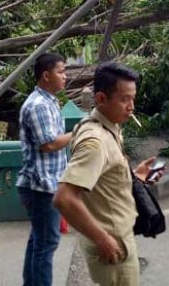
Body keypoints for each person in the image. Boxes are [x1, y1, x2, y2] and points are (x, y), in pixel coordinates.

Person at [54, 62, 160, 286]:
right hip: (113, 244)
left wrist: (137, 177)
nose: (131, 106)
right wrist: (102, 239)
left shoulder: (106, 127)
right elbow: (65, 199)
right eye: (124, 99)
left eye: (133, 98)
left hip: (118, 236)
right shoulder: (96, 141)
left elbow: (103, 181)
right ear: (101, 98)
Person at [16, 52, 72, 286]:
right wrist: (79, 132)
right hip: (41, 186)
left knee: (39, 241)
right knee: (46, 245)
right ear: (46, 76)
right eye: (61, 72)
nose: (65, 77)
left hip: (45, 184)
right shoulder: (39, 105)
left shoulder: (48, 100)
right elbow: (48, 144)